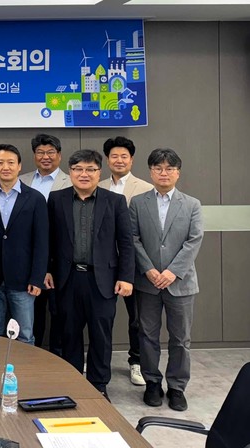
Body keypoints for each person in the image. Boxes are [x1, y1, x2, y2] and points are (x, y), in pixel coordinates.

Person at [47, 149, 135, 400]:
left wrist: (126, 277)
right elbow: (48, 239)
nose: (84, 174)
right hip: (67, 279)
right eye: (78, 169)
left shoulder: (115, 201)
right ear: (70, 172)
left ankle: (98, 386)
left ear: (99, 172)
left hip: (103, 281)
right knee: (69, 334)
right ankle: (73, 383)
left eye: (90, 169)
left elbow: (126, 243)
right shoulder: (56, 199)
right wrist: (46, 270)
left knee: (101, 336)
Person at [130, 148, 203, 412]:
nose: (164, 173)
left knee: (180, 338)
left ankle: (176, 387)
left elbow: (194, 240)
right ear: (150, 172)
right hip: (147, 282)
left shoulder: (192, 204)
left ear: (178, 172)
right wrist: (148, 269)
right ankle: (152, 383)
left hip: (180, 283)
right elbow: (133, 239)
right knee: (147, 335)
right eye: (158, 168)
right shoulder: (138, 203)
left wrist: (173, 271)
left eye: (169, 168)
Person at [0, 144, 47, 345]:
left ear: (19, 166)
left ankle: (24, 366)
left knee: (25, 334)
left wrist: (37, 278)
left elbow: (42, 242)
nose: (5, 167)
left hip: (23, 280)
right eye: (0, 163)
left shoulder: (35, 198)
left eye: (10, 162)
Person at [98, 136, 154, 387]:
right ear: (107, 160)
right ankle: (100, 362)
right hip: (103, 264)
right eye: (114, 156)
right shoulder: (97, 186)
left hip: (134, 265)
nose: (119, 160)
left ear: (131, 160)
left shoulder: (145, 189)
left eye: (124, 156)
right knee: (101, 316)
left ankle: (137, 362)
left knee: (137, 318)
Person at [19, 133, 72, 353]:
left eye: (50, 152)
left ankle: (59, 356)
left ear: (59, 155)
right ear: (34, 155)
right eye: (40, 152)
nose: (45, 156)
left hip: (61, 257)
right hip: (30, 258)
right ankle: (34, 355)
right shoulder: (22, 181)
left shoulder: (71, 181)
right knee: (34, 312)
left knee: (60, 312)